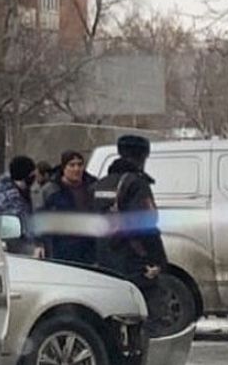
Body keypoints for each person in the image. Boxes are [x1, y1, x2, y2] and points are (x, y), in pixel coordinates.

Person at [94, 135, 169, 321]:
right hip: (135, 262)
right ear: (142, 156)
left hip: (105, 259)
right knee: (149, 315)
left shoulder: (101, 184)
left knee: (114, 315)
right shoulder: (136, 184)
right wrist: (158, 260)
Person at [41, 150, 97, 263]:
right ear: (64, 167)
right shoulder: (51, 190)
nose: (76, 169)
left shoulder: (93, 187)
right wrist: (40, 244)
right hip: (61, 248)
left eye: (80, 165)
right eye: (72, 165)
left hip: (89, 248)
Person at [0, 156, 44, 256]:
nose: (34, 179)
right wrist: (34, 247)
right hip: (17, 250)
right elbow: (21, 227)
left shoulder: (15, 189)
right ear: (25, 177)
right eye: (32, 175)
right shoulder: (10, 199)